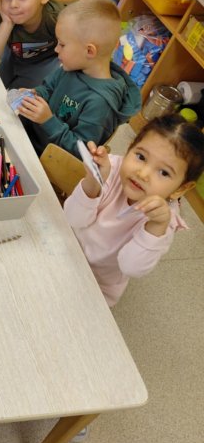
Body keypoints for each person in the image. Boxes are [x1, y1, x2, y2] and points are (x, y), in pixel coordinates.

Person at [64, 114, 204, 306]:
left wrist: (155, 227)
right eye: (141, 157)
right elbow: (72, 219)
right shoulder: (111, 169)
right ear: (129, 148)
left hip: (97, 285)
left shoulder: (164, 221)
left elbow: (130, 267)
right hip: (66, 250)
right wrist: (93, 183)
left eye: (164, 172)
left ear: (180, 188)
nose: (143, 174)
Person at [17, 0, 141, 155]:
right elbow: (48, 89)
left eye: (62, 44)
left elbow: (82, 153)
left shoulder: (100, 103)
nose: (56, 49)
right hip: (27, 134)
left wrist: (48, 121)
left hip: (43, 157)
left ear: (89, 51)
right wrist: (35, 94)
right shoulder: (72, 67)